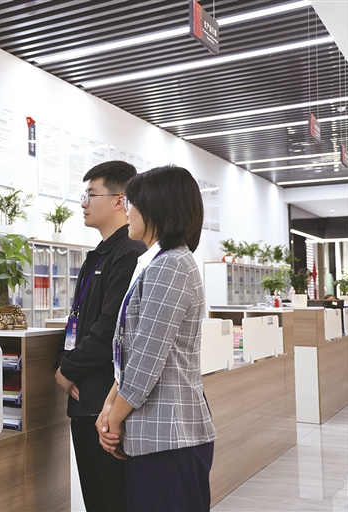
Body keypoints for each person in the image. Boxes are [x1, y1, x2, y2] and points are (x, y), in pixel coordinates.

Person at [97, 165, 216, 511]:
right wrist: (109, 408)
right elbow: (132, 353)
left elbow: (147, 360)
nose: (127, 211)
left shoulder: (172, 265)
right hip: (156, 437)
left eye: (132, 203)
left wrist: (113, 419)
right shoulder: (159, 262)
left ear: (157, 208)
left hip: (170, 438)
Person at [54, 160, 146, 512]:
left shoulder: (129, 254)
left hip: (105, 403)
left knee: (113, 500)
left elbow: (110, 329)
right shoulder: (99, 254)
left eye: (91, 195)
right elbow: (78, 322)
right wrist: (63, 364)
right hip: (85, 398)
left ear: (119, 201)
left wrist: (67, 370)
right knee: (96, 498)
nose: (83, 203)